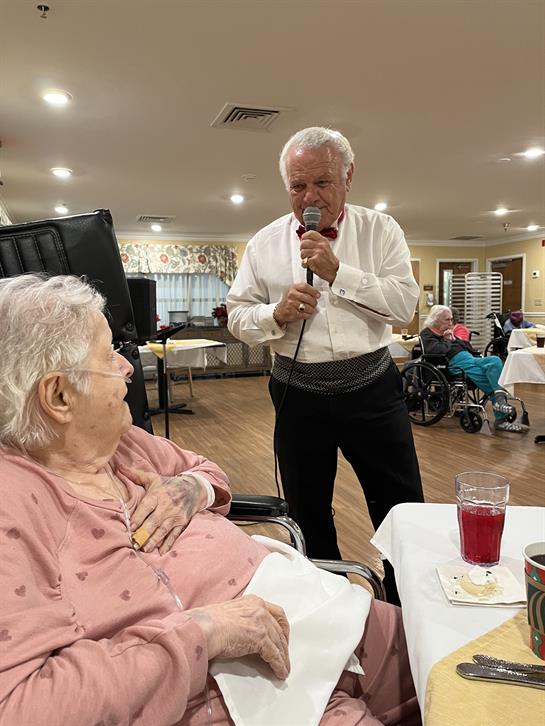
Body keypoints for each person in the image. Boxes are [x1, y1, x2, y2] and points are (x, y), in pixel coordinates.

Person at [0, 273, 421, 725]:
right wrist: (206, 632)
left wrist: (192, 488)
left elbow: (208, 472)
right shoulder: (15, 504)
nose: (128, 366)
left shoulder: (126, 443)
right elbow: (21, 707)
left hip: (314, 612)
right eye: (109, 355)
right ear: (59, 395)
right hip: (241, 689)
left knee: (453, 650)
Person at [227, 126, 424, 601]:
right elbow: (237, 316)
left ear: (348, 177)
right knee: (306, 509)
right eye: (298, 186)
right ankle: (330, 606)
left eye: (322, 182)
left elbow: (404, 306)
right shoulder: (263, 243)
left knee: (401, 506)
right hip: (297, 395)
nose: (309, 197)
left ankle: (407, 605)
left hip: (372, 390)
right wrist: (275, 314)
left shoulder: (381, 230)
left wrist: (339, 273)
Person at [420, 305, 525, 433]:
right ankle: (500, 418)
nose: (451, 323)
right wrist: (447, 341)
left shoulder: (448, 332)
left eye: (451, 319)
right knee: (488, 378)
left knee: (495, 360)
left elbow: (467, 347)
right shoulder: (427, 334)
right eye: (447, 319)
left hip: (470, 359)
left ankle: (499, 401)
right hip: (453, 364)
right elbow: (436, 352)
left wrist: (455, 339)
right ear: (436, 320)